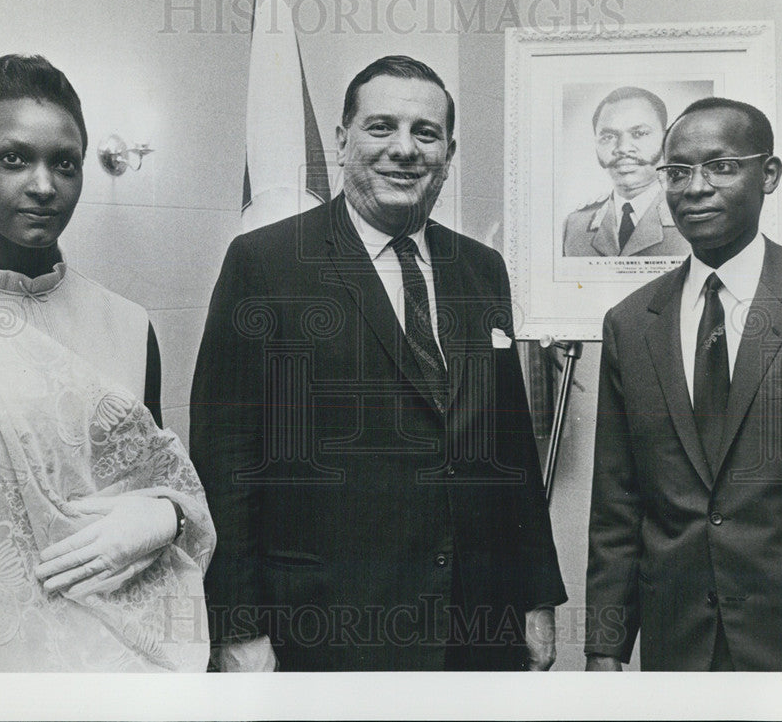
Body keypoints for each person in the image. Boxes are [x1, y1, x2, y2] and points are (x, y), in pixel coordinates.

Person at [191, 55, 566, 671]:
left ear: (448, 150)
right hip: (329, 626)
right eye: (381, 127)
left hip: (477, 623)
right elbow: (226, 457)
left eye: (425, 133)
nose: (405, 149)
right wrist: (236, 624)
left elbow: (512, 448)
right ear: (342, 140)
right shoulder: (266, 264)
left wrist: (535, 595)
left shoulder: (482, 268)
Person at [0, 55, 216, 672]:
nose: (44, 185)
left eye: (65, 163)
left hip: (121, 657)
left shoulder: (130, 325)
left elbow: (164, 479)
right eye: (14, 158)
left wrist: (166, 514)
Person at [585, 97, 782, 671]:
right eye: (677, 172)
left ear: (770, 174)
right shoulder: (632, 324)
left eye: (722, 166)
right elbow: (617, 506)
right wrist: (605, 649)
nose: (696, 188)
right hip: (681, 647)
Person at [563, 86, 689, 257]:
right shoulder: (574, 226)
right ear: (595, 144)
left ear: (667, 139)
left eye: (639, 133)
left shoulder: (691, 217)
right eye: (608, 137)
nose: (623, 148)